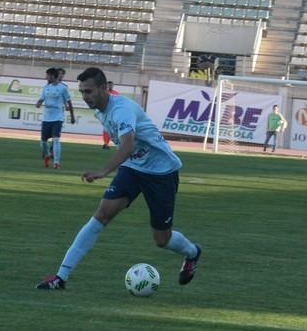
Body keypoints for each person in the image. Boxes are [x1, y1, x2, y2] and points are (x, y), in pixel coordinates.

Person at [37, 67, 202, 290]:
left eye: (89, 91)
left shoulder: (122, 109)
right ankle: (61, 277)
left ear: (104, 88)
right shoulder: (100, 110)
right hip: (133, 168)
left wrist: (104, 171)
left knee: (161, 239)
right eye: (83, 92)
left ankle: (192, 253)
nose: (86, 97)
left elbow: (127, 145)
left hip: (162, 172)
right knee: (102, 214)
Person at [36, 67, 75, 169]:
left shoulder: (63, 88)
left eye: (47, 75)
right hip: (46, 118)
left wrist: (72, 116)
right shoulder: (46, 87)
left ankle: (57, 162)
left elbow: (69, 102)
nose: (46, 78)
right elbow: (41, 98)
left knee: (56, 139)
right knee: (43, 142)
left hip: (57, 118)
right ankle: (47, 155)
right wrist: (39, 102)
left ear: (52, 76)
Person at [100, 80, 121, 149]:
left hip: (114, 113)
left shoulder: (116, 93)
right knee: (106, 128)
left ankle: (118, 143)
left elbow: (119, 103)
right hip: (106, 112)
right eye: (109, 85)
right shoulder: (104, 92)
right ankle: (106, 143)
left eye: (111, 85)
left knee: (113, 129)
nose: (110, 86)